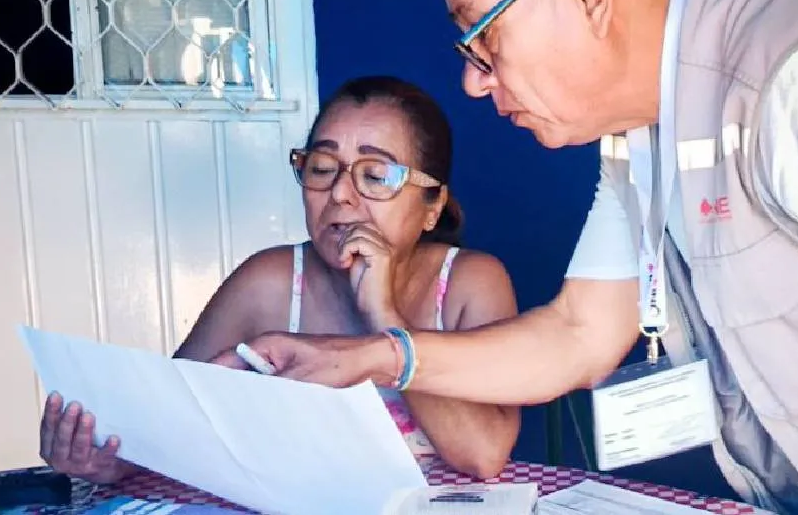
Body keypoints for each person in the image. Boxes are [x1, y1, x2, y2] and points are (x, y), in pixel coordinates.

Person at [212, 0, 798, 513]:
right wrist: (376, 354)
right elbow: (578, 332)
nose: (473, 81)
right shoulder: (635, 136)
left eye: (484, 35)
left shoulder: (791, 72)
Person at [38, 75, 522, 485]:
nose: (340, 194)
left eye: (375, 175)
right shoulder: (269, 282)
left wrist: (384, 317)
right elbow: (159, 426)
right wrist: (101, 459)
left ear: (432, 205)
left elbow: (482, 455)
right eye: (322, 168)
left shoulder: (468, 285)